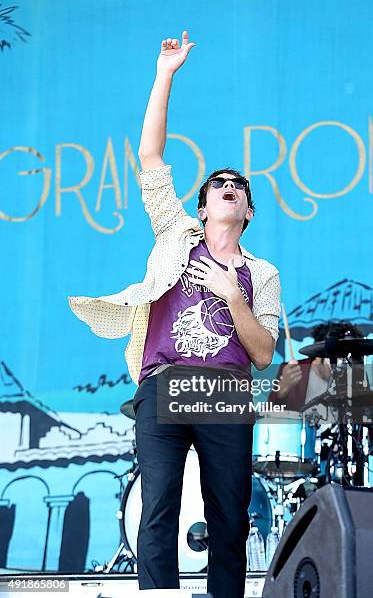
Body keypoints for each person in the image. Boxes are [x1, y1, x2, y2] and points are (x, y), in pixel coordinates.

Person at [68, 30, 280, 598]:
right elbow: (151, 157)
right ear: (204, 204)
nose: (227, 188)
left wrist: (233, 296)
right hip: (163, 384)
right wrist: (165, 74)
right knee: (157, 505)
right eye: (218, 185)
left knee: (229, 514)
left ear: (248, 211)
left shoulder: (261, 273)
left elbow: (264, 354)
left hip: (225, 391)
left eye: (237, 186)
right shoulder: (174, 234)